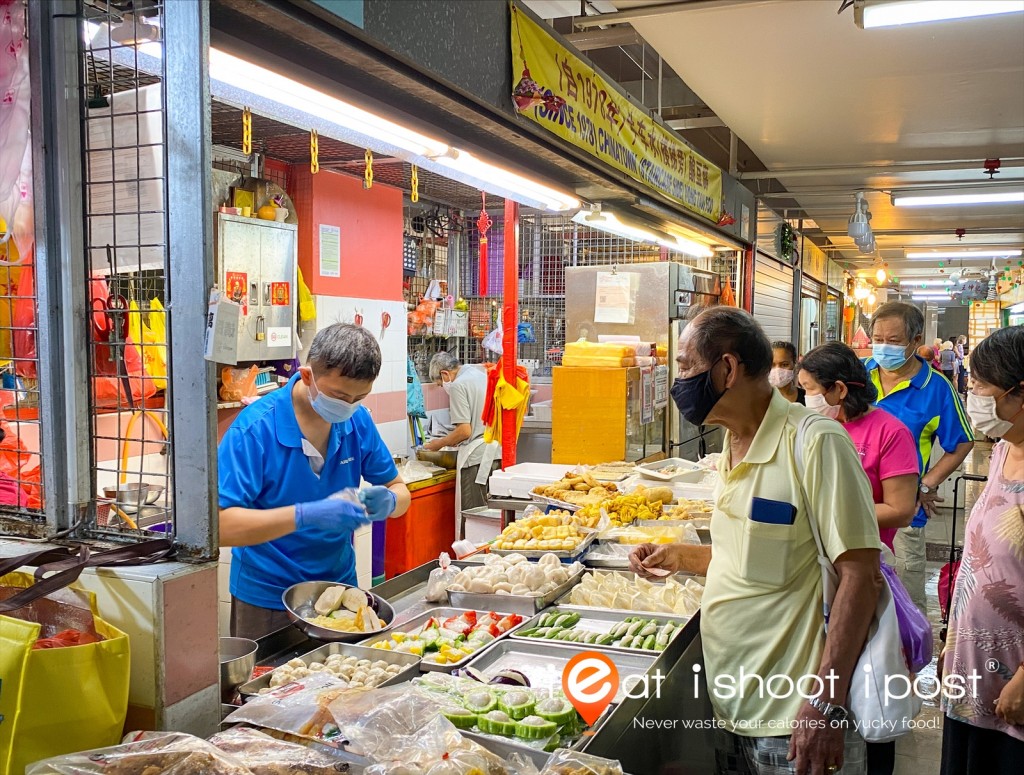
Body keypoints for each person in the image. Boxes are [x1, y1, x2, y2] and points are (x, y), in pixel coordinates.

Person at [630, 307, 881, 775]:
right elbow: (749, 555)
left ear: (727, 368)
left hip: (792, 718)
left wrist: (825, 704)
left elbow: (860, 576)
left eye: (685, 366)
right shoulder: (732, 443)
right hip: (732, 707)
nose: (678, 380)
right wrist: (679, 556)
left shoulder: (815, 442)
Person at [218, 323, 411, 640]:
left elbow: (399, 489)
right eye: (338, 395)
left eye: (359, 397)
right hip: (268, 596)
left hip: (339, 590)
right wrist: (305, 515)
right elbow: (220, 527)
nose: (347, 406)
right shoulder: (254, 431)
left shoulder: (356, 421)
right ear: (307, 376)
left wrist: (390, 501)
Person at [798, 342, 920, 775]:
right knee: (824, 671)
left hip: (864, 571)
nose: (803, 398)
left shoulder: (889, 431)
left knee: (866, 674)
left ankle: (877, 758)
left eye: (810, 389)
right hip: (815, 575)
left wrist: (836, 516)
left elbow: (902, 507)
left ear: (836, 389)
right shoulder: (812, 428)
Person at [939, 326, 1024, 774]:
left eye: (982, 384)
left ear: (1021, 392)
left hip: (1015, 682)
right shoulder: (1003, 449)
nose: (973, 394)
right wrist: (952, 642)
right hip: (973, 671)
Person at [865, 302, 974, 613]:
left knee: (904, 598)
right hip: (851, 503)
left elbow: (963, 441)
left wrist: (927, 484)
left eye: (894, 341)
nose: (883, 346)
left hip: (904, 512)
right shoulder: (859, 373)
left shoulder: (936, 388)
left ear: (915, 341)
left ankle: (908, 658)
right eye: (878, 338)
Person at [424, 352, 500, 528]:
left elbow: (465, 431)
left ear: (445, 374)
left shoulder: (458, 385)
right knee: (492, 518)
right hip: (496, 454)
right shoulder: (482, 376)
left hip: (476, 460)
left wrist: (439, 443)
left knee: (476, 519)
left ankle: (472, 554)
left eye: (439, 384)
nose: (442, 386)